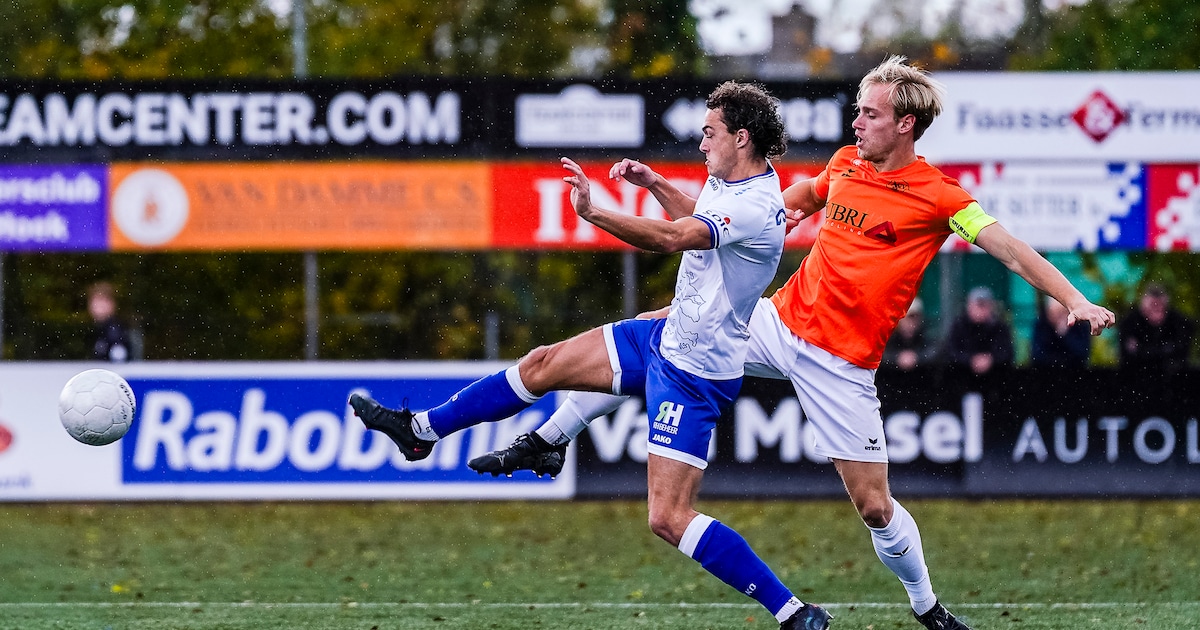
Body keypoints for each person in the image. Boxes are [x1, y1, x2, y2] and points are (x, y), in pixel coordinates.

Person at [469, 56, 1117, 630]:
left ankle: (926, 606)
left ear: (906, 127)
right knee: (664, 330)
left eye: (870, 113)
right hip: (779, 324)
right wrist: (732, 216)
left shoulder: (941, 197)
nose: (856, 122)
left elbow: (1010, 249)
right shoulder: (844, 164)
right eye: (858, 110)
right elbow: (787, 204)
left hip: (841, 367)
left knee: (873, 506)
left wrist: (1075, 300)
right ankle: (548, 441)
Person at [350, 82, 835, 629]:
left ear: (740, 137)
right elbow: (699, 218)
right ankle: (422, 431)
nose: (701, 143)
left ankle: (793, 613)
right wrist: (654, 183)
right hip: (663, 338)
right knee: (542, 364)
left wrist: (593, 212)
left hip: (695, 374)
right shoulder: (734, 182)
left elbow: (675, 239)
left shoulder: (756, 203)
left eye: (709, 133)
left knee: (668, 518)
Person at [1118, 283, 1194, 372]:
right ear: (1143, 307)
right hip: (1137, 375)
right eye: (1152, 306)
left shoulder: (1179, 323)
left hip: (1172, 376)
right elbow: (1126, 357)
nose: (1156, 310)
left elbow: (1181, 354)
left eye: (1159, 306)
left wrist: (1142, 350)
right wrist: (1165, 350)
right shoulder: (1130, 323)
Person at [942, 286, 1014, 375]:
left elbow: (1007, 353)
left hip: (994, 380)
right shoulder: (958, 326)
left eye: (984, 305)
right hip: (962, 379)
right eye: (979, 305)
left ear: (991, 306)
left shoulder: (1000, 327)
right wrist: (971, 360)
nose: (981, 310)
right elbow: (950, 352)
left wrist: (990, 360)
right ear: (969, 306)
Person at [1030, 294, 1092, 369]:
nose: (1058, 317)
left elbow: (1082, 354)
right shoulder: (1041, 325)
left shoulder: (1080, 325)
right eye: (1055, 313)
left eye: (1062, 313)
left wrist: (1065, 333)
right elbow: (1037, 355)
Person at [86, 281, 132, 362]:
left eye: (102, 301)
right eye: (95, 301)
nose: (98, 307)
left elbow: (119, 361)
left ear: (112, 304)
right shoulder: (97, 328)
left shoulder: (114, 330)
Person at [882, 298, 932, 371]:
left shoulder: (926, 334)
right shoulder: (888, 336)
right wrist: (897, 358)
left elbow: (934, 351)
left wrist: (917, 357)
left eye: (914, 317)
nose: (911, 322)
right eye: (906, 317)